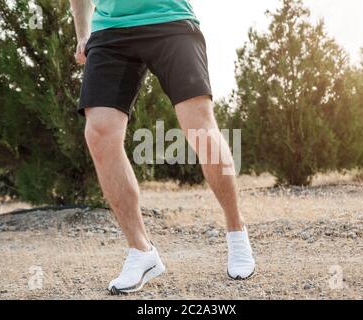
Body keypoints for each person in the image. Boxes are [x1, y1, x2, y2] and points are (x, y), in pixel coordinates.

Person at [69, 0, 255, 295]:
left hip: (169, 19)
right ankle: (141, 251)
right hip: (110, 30)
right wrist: (83, 33)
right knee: (99, 133)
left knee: (200, 127)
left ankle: (236, 230)